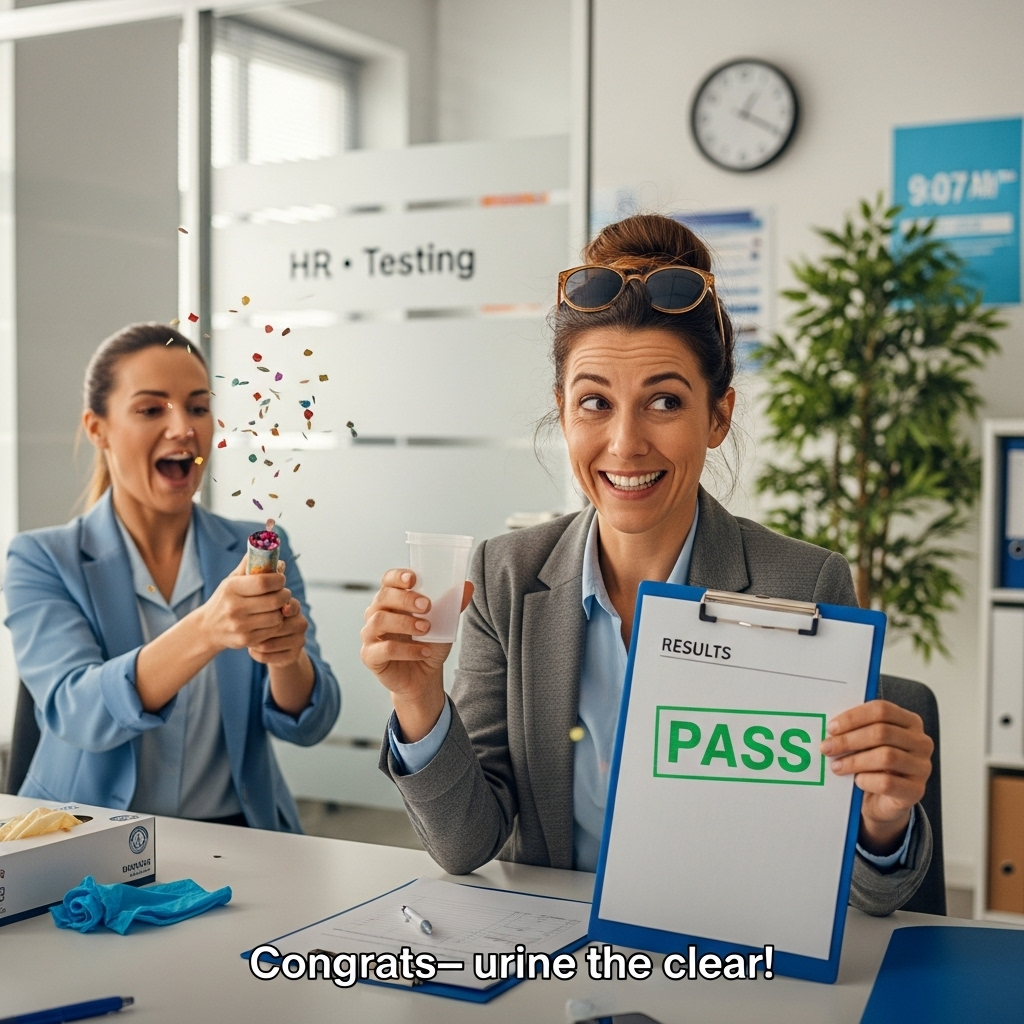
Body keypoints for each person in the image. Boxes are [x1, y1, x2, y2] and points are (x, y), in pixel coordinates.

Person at [361, 215, 934, 915]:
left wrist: (882, 818)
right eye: (595, 403)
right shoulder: (506, 578)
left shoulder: (803, 586)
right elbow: (466, 844)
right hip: (557, 960)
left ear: (718, 415)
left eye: (664, 401)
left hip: (725, 952)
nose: (625, 443)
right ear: (564, 414)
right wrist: (418, 699)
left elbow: (868, 892)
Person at [4, 323, 339, 830]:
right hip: (81, 842)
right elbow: (78, 712)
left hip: (244, 841)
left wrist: (286, 658)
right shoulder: (39, 559)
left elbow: (310, 723)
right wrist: (206, 630)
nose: (184, 427)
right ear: (97, 428)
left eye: (198, 407)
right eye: (151, 409)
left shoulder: (260, 548)